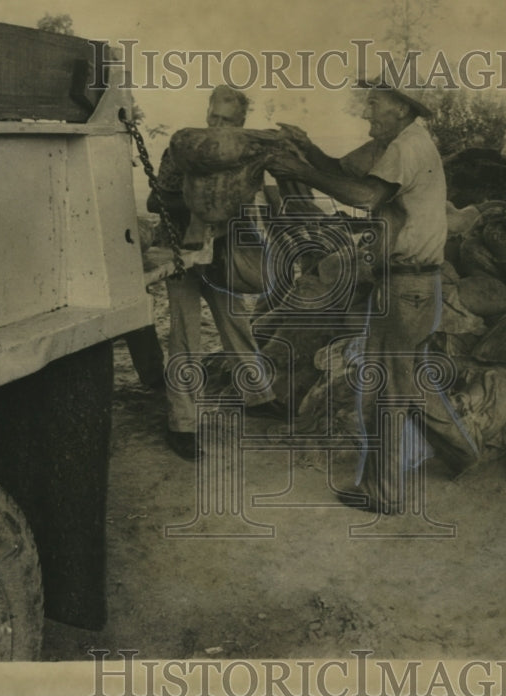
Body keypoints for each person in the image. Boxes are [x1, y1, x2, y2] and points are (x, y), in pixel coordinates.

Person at [266, 79, 479, 513]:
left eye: (375, 104)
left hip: (407, 288)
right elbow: (343, 171)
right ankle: (464, 455)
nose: (367, 113)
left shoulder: (406, 148)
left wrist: (301, 172)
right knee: (409, 381)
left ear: (401, 108)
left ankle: (383, 493)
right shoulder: (395, 143)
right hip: (409, 286)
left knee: (388, 391)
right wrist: (306, 149)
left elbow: (365, 196)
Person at [148, 85, 282, 460]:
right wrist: (201, 204)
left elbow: (265, 195)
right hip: (182, 251)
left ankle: (257, 395)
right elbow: (155, 198)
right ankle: (182, 424)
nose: (216, 124)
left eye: (226, 119)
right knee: (186, 337)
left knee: (236, 323)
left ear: (241, 123)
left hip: (224, 251)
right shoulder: (186, 151)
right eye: (213, 116)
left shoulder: (244, 155)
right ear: (207, 113)